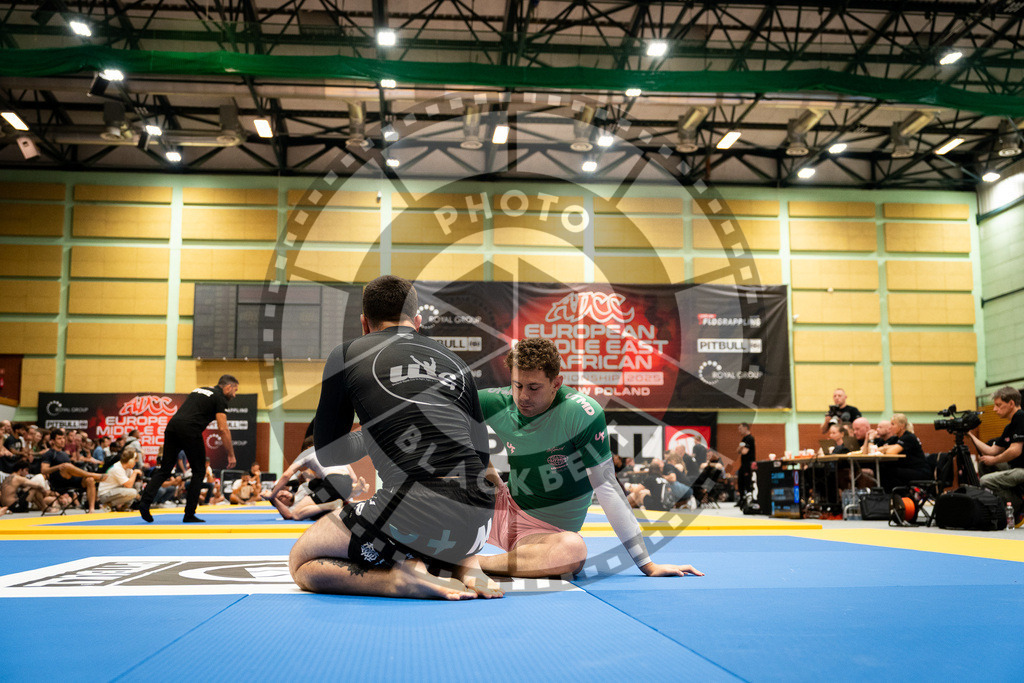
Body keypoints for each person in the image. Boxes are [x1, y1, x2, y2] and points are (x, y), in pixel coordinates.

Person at [288, 275, 499, 600]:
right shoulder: (457, 363)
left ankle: (395, 580)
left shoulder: (347, 354)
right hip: (479, 519)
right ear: (416, 322)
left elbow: (329, 454)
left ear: (364, 323)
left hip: (414, 513)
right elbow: (482, 458)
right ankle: (465, 565)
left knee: (302, 562)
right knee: (428, 526)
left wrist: (372, 432)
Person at [477, 337, 702, 579]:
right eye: (517, 385)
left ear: (557, 383)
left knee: (574, 550)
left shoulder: (581, 413)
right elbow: (443, 411)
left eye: (534, 388)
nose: (522, 396)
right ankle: (441, 555)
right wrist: (490, 476)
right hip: (500, 507)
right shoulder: (498, 402)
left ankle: (472, 562)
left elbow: (607, 488)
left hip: (543, 535)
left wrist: (647, 564)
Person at [138, 375, 239, 523]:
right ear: (228, 387)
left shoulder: (199, 389)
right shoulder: (220, 398)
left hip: (172, 426)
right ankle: (189, 513)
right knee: (199, 471)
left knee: (165, 468)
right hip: (190, 430)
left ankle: (144, 503)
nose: (234, 395)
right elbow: (223, 428)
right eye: (235, 390)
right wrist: (231, 454)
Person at [265, 433, 368, 521]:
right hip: (345, 484)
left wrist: (272, 495)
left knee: (296, 514)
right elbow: (353, 478)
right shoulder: (333, 451)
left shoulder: (307, 453)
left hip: (332, 483)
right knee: (322, 505)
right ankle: (355, 490)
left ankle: (333, 505)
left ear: (307, 448)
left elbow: (286, 475)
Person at [970, 386, 1024, 523]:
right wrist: (970, 435)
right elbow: (991, 451)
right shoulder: (1010, 426)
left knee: (985, 481)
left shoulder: (1021, 417)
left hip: (1022, 470)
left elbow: (1015, 450)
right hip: (1016, 468)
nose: (994, 409)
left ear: (1011, 403)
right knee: (984, 464)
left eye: (998, 405)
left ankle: (1017, 507)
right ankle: (1013, 500)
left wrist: (994, 460)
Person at [879, 413, 932, 491]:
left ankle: (895, 496)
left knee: (888, 471)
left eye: (893, 424)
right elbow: (879, 449)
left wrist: (887, 448)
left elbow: (890, 453)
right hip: (907, 468)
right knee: (884, 468)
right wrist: (887, 447)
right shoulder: (896, 438)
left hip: (919, 471)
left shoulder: (909, 437)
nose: (890, 427)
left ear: (902, 426)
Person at [736, 423, 755, 500]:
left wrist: (741, 447)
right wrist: (741, 447)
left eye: (740, 429)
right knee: (740, 481)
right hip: (743, 464)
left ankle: (749, 498)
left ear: (745, 428)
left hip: (748, 464)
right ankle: (741, 499)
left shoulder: (750, 438)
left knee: (747, 482)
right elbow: (737, 451)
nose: (739, 431)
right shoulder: (744, 439)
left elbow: (744, 452)